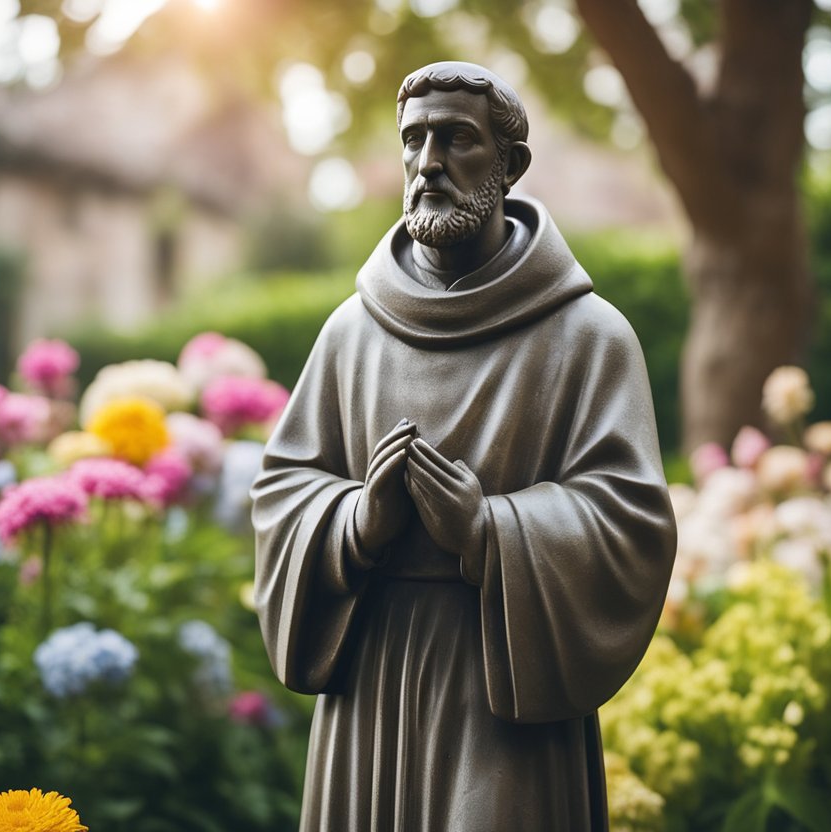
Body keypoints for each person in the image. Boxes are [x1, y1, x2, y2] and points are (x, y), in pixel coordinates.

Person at [252, 61, 677, 832]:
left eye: (457, 139)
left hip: (505, 685)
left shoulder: (586, 338)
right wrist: (354, 523)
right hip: (369, 682)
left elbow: (630, 522)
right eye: (413, 139)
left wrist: (491, 530)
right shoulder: (352, 332)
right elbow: (284, 489)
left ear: (509, 166)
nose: (428, 163)